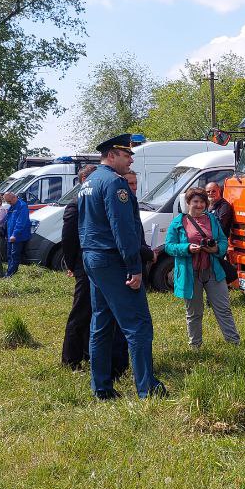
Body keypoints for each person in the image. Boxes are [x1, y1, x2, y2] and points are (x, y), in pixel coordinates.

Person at [78, 133, 165, 400]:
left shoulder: (89, 181)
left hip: (93, 258)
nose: (130, 159)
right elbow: (123, 228)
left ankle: (101, 387)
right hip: (113, 260)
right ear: (112, 155)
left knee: (101, 323)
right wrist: (135, 267)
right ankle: (147, 388)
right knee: (138, 325)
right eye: (127, 154)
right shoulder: (114, 184)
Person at [165, 188, 241, 348]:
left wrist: (216, 249)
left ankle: (234, 343)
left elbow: (222, 240)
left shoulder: (212, 219)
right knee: (194, 313)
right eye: (195, 202)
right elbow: (169, 247)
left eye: (202, 202)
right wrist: (186, 248)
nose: (199, 205)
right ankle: (195, 347)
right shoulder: (179, 222)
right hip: (189, 273)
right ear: (188, 203)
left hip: (213, 271)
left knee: (223, 309)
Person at [62, 165, 97, 368]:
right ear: (84, 181)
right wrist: (72, 264)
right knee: (81, 311)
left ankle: (86, 351)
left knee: (92, 311)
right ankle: (70, 359)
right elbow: (68, 238)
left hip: (94, 264)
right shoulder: (76, 204)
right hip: (83, 264)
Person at [3, 191, 31, 277]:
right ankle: (9, 272)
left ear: (14, 197)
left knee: (14, 255)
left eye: (9, 201)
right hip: (10, 235)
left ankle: (10, 274)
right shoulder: (12, 206)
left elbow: (21, 222)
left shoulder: (22, 206)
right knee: (9, 255)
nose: (8, 203)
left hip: (18, 236)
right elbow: (7, 220)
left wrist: (15, 234)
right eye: (7, 202)